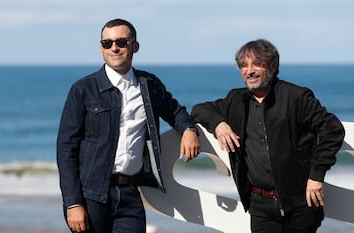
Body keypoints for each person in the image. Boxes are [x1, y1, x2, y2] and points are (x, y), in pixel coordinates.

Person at [56, 18, 200, 233]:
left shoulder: (149, 85)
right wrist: (73, 203)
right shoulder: (83, 89)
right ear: (101, 48)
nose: (114, 48)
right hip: (92, 195)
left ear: (135, 46)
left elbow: (175, 111)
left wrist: (189, 130)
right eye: (107, 43)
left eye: (121, 42)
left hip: (131, 193)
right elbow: (66, 149)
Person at [192, 39, 345, 233]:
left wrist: (316, 175)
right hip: (259, 204)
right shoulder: (236, 99)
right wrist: (218, 124)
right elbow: (199, 110)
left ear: (273, 66)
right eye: (244, 66)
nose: (250, 71)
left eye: (257, 64)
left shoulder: (297, 97)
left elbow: (332, 129)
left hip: (300, 202)